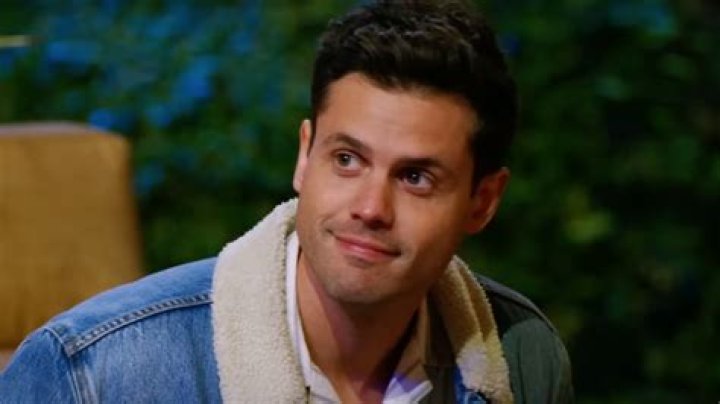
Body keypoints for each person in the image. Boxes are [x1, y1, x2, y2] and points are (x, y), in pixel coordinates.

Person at [0, 1, 573, 402]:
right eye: (346, 159)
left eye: (416, 177)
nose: (370, 208)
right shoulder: (90, 374)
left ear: (482, 202)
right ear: (305, 156)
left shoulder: (523, 356)